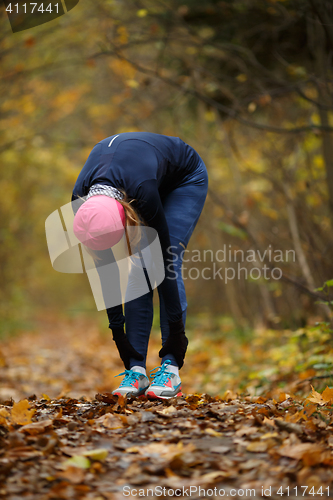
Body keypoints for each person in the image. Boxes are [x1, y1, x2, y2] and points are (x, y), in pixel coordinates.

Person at [71, 132, 208, 399]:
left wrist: (176, 339)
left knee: (159, 260)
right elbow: (105, 270)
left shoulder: (142, 190)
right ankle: (137, 371)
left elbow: (164, 264)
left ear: (125, 217)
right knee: (139, 269)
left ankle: (170, 369)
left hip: (183, 179)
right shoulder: (81, 202)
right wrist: (119, 337)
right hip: (140, 176)